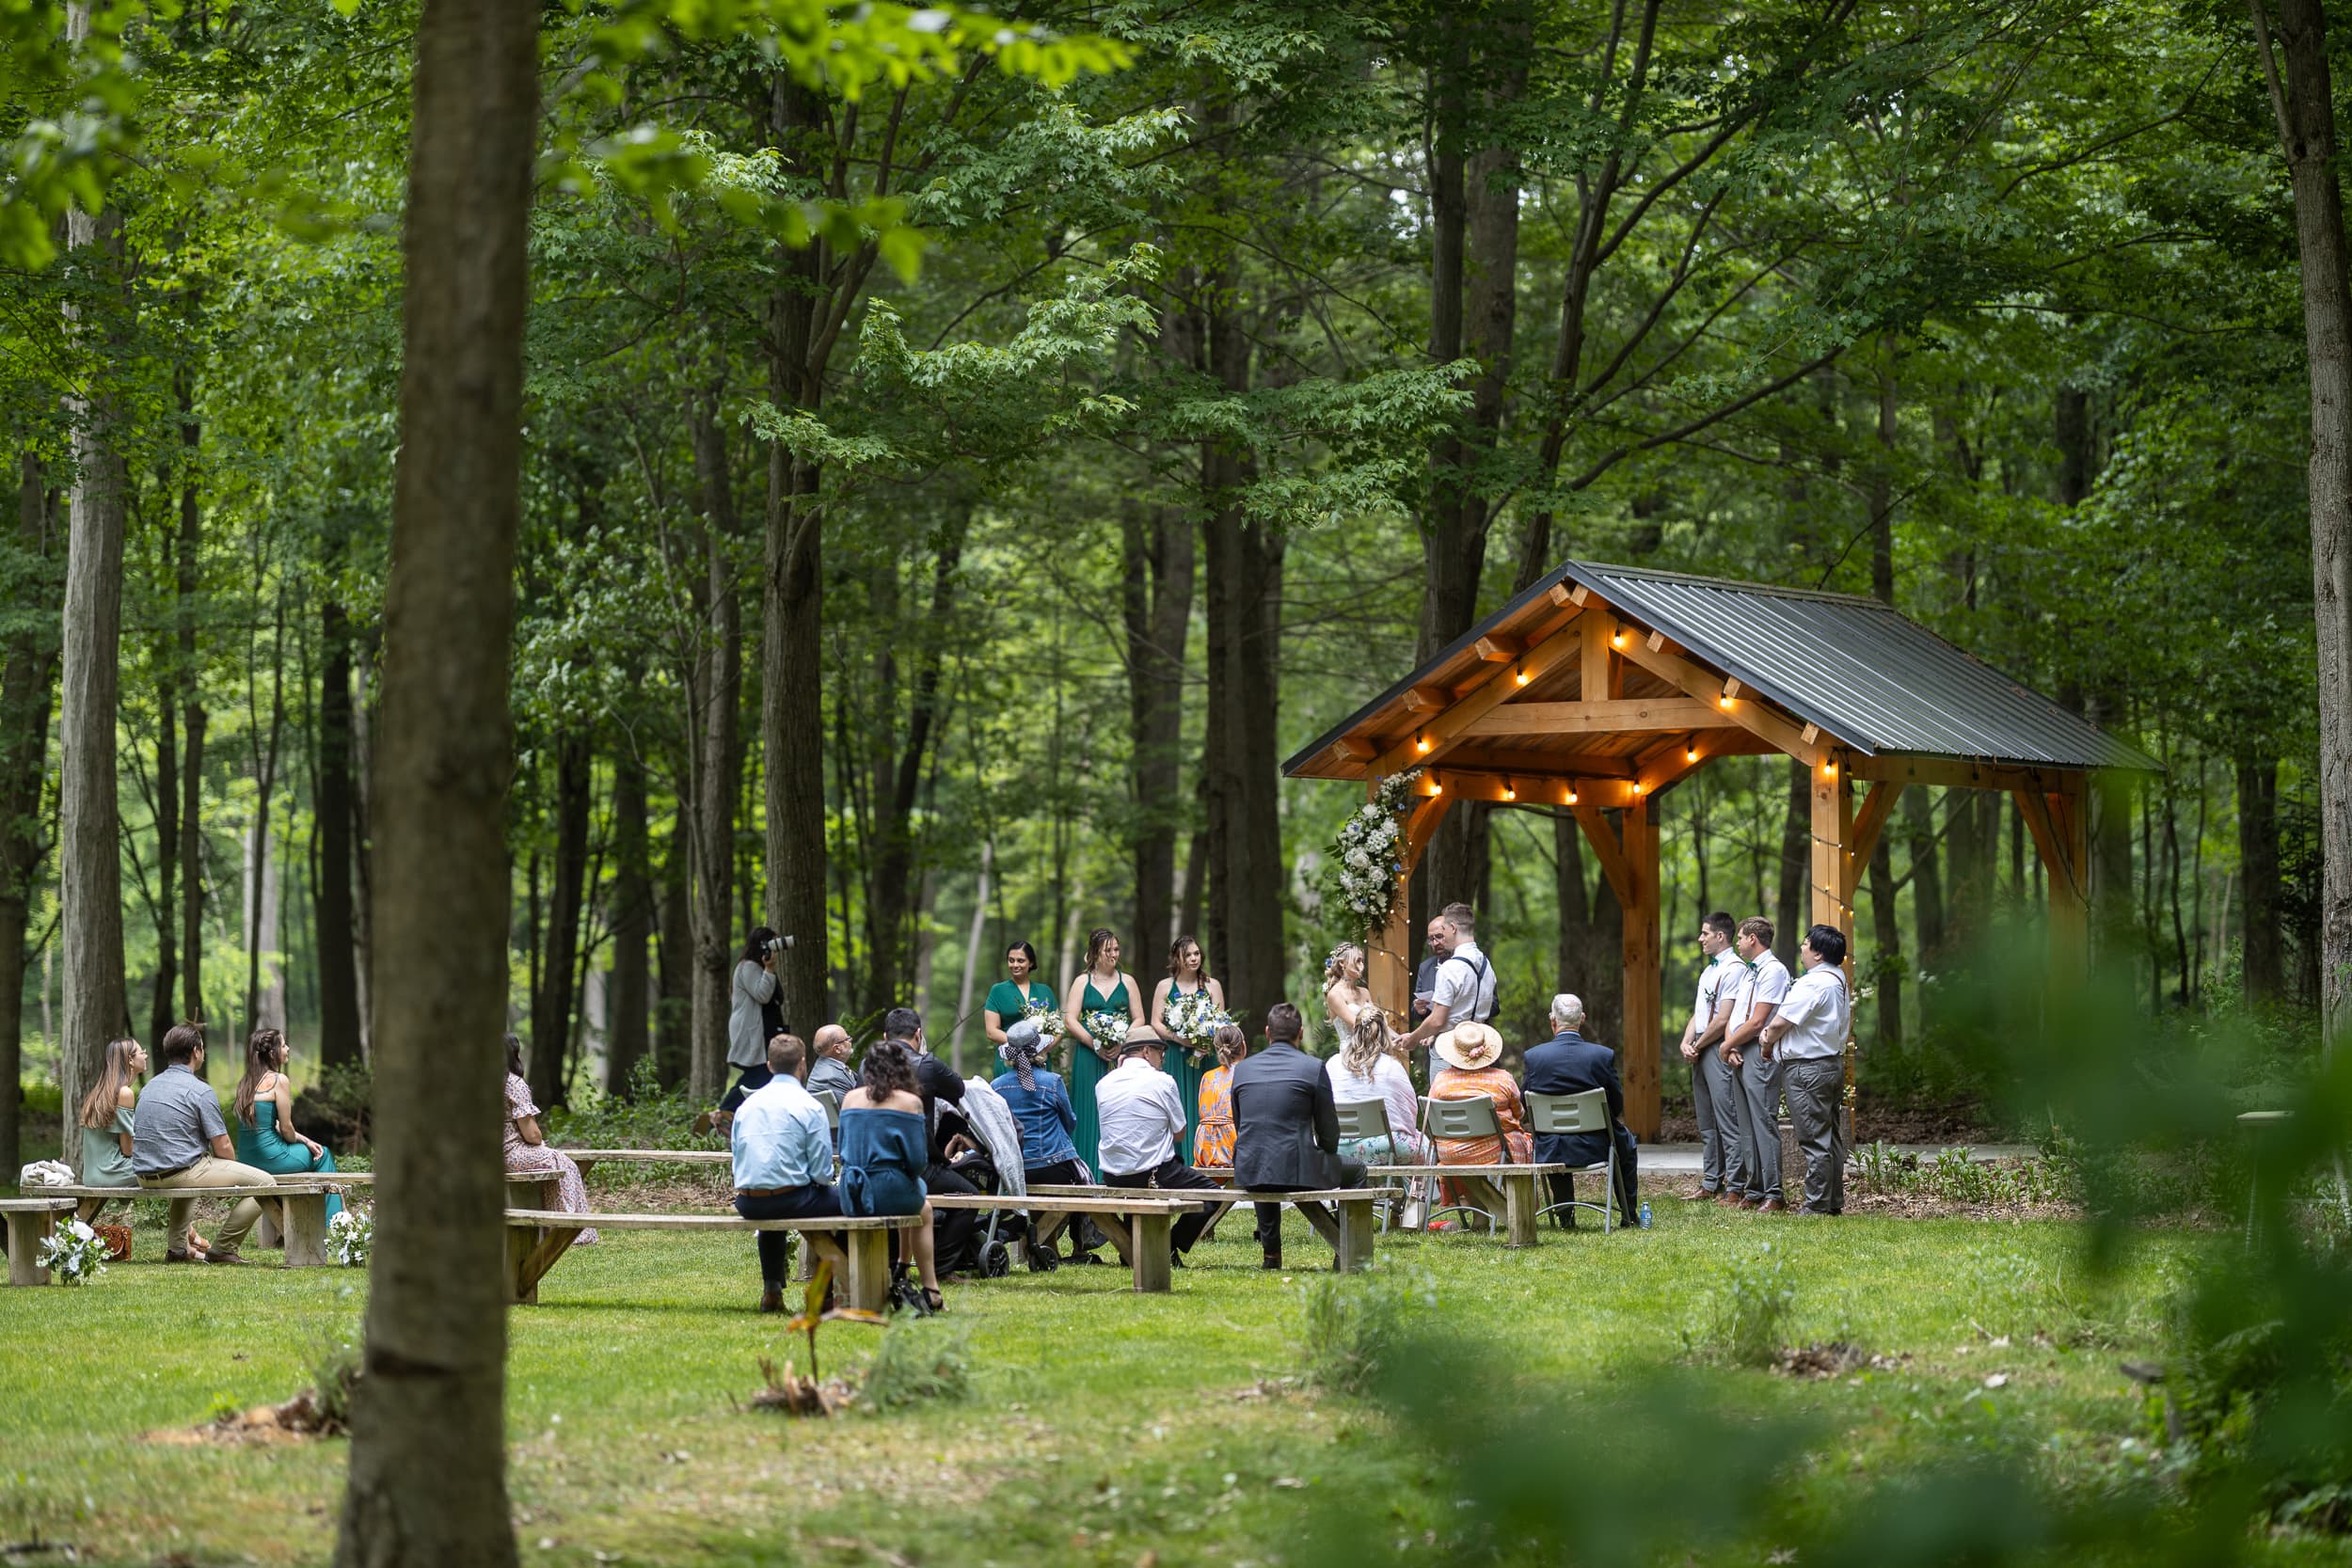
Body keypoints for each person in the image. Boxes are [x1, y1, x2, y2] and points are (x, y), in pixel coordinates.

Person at [1229, 1002, 1365, 1270]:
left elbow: (1240, 1123)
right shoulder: (1313, 1068)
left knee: (1264, 1154)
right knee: (1357, 1170)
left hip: (1249, 1168)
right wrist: (1325, 1153)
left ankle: (1271, 1256)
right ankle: (1347, 1250)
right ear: (1300, 1033)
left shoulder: (1242, 1070)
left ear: (1268, 1033)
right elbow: (1329, 1129)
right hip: (1297, 1169)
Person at [133, 1022, 280, 1263]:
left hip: (144, 1175)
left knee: (188, 1166)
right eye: (202, 1047)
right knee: (266, 1182)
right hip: (180, 1173)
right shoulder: (200, 1090)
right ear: (195, 1051)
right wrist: (230, 1178)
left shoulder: (149, 1087)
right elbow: (222, 1147)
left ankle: (178, 1250)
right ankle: (223, 1247)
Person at [730, 1032, 841, 1311]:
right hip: (792, 1200)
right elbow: (822, 1173)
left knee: (774, 1206)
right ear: (802, 1064)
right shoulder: (810, 1106)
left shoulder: (746, 1106)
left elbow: (738, 1157)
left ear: (769, 1065)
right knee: (849, 1201)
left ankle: (772, 1291)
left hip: (748, 1202)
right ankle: (829, 1292)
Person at [1092, 1024, 1219, 1261]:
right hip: (1153, 1173)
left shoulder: (1103, 1084)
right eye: (1161, 1053)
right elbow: (1180, 1133)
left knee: (1141, 1168)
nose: (1163, 1059)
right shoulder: (1162, 1081)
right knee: (1213, 1194)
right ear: (1146, 1051)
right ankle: (1168, 1244)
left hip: (1113, 1173)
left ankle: (1132, 1247)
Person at [838, 1037, 944, 1312]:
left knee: (911, 1193)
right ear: (902, 1069)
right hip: (890, 1187)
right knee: (923, 1208)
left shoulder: (850, 1099)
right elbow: (917, 1161)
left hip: (853, 1190)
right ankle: (931, 1289)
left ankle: (901, 1266)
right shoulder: (909, 1102)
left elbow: (845, 1150)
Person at [1521, 994, 1641, 1225]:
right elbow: (1616, 1105)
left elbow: (1527, 1104)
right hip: (1596, 1145)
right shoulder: (1602, 1056)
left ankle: (1565, 1215)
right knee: (1625, 1142)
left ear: (1552, 1020)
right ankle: (1629, 1214)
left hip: (1551, 1147)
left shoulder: (1534, 1057)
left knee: (1555, 1136)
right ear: (1582, 1019)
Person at [1758, 924, 1852, 1216]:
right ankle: (1832, 1202)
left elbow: (1780, 1022)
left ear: (1819, 953)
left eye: (1806, 943)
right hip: (1831, 1064)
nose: (1802, 948)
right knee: (1830, 1137)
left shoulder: (1814, 983)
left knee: (1814, 1139)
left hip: (1807, 1069)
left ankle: (1815, 1206)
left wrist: (1765, 1042)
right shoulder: (1838, 980)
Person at [231, 1028, 344, 1226]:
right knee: (323, 1154)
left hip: (247, 1161)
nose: (288, 1049)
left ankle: (309, 1220)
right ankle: (335, 1224)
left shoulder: (245, 1082)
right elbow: (286, 1129)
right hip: (272, 1158)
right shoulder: (278, 1080)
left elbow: (270, 1126)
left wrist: (306, 1140)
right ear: (273, 1053)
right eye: (283, 1045)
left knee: (313, 1148)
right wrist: (307, 1142)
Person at [1722, 917, 1792, 1212]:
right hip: (1740, 1049)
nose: (1737, 942)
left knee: (1763, 1122)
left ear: (1753, 938)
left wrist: (1726, 1046)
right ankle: (1754, 1188)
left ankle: (1774, 1193)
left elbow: (1758, 1020)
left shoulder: (1774, 971)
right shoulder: (1748, 972)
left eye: (1739, 937)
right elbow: (1737, 1014)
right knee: (1746, 1124)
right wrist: (1731, 1045)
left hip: (1760, 1051)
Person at [1676, 911, 1746, 1202]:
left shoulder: (1735, 968)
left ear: (1720, 936)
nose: (1700, 938)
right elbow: (1700, 1013)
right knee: (1706, 1120)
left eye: (1705, 933)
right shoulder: (1709, 970)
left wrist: (1700, 1045)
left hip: (1718, 1048)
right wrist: (1685, 1041)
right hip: (1701, 1048)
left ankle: (1736, 1185)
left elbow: (1722, 1019)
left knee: (1727, 1118)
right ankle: (1710, 1180)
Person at [1061, 927, 1142, 1178]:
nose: (1113, 955)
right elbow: (1070, 1020)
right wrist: (1093, 1043)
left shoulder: (1127, 981)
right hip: (1088, 1056)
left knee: (1120, 1109)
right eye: (1108, 950)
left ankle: (1120, 1173)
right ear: (1096, 953)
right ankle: (1086, 1172)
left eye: (1116, 949)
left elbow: (1139, 1018)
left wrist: (1123, 1042)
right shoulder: (1081, 982)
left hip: (1121, 1057)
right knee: (1089, 1109)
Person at [503, 1034, 597, 1244]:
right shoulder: (513, 1083)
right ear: (514, 1056)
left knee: (553, 1161)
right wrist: (540, 1142)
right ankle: (570, 1233)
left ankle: (555, 1228)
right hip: (510, 1155)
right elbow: (532, 1135)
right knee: (564, 1164)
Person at [1148, 934, 1225, 1162]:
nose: (1194, 958)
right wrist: (1178, 1038)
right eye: (1188, 954)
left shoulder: (1212, 986)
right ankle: (1178, 1162)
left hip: (1205, 1058)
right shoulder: (1165, 986)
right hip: (1175, 1057)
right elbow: (1155, 1022)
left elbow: (1220, 1020)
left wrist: (1204, 1038)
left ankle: (1209, 1160)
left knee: (1206, 1108)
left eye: (1197, 953)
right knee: (1176, 1106)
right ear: (1177, 958)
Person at [73, 1037, 158, 1231]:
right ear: (129, 1060)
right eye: (141, 1051)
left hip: (92, 1175)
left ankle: (187, 1240)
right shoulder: (125, 1093)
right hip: (112, 1171)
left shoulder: (100, 1091)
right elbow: (128, 1150)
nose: (145, 1054)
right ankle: (186, 1242)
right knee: (171, 1171)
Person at [1327, 1007, 1425, 1165]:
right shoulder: (1392, 1066)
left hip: (1338, 1146)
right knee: (1423, 1145)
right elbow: (1409, 1111)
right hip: (1386, 1148)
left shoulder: (1332, 1064)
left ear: (1355, 1031)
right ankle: (1413, 1191)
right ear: (1383, 1033)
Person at [1398, 903, 1498, 1055]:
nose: (1441, 938)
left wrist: (1413, 1038)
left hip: (1450, 1049)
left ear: (1453, 928)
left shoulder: (1450, 968)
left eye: (1443, 931)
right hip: (1479, 1047)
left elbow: (1437, 1021)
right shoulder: (1486, 964)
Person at [1429, 1020, 1533, 1164]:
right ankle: (1515, 1187)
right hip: (1495, 1152)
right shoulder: (1503, 1079)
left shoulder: (1440, 1080)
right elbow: (1519, 1114)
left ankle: (1471, 1188)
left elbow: (1431, 1116)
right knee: (1518, 1137)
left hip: (1450, 1154)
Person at [719, 927, 785, 1123]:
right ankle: (723, 1112)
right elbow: (763, 995)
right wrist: (770, 969)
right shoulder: (748, 967)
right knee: (760, 1073)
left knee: (761, 1074)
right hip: (751, 1031)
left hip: (760, 1030)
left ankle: (729, 1114)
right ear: (762, 946)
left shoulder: (755, 967)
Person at [982, 941, 1056, 1053]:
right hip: (1010, 1056)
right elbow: (991, 1031)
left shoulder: (1045, 991)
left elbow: (1058, 1029)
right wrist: (1020, 1044)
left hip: (1040, 1057)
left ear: (1031, 963)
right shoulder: (998, 991)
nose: (1015, 965)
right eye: (1011, 960)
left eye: (1020, 961)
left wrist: (1042, 1049)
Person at [1192, 1023, 1248, 1171]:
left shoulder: (1207, 1077)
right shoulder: (1246, 1075)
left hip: (1204, 1150)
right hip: (1234, 1149)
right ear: (1243, 1046)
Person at [1322, 942, 1374, 1040]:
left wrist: (1399, 1037)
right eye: (1357, 961)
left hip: (1372, 1049)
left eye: (1362, 961)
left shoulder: (1365, 992)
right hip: (1351, 1053)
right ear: (1342, 963)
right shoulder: (1335, 995)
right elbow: (1358, 1025)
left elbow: (1380, 1022)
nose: (1362, 965)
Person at [804, 1022, 857, 1104]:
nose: (851, 1041)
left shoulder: (825, 1065)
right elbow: (853, 1109)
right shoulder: (833, 1077)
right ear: (837, 1049)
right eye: (848, 1039)